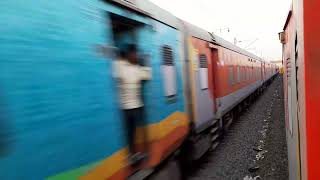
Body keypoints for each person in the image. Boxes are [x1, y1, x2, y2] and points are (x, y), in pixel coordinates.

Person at [112, 44, 152, 165]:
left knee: (133, 132)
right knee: (128, 132)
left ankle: (134, 154)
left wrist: (145, 63)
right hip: (124, 107)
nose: (136, 56)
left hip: (136, 106)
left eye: (136, 54)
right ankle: (131, 155)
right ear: (128, 54)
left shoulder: (136, 68)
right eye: (134, 54)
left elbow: (147, 76)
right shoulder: (119, 66)